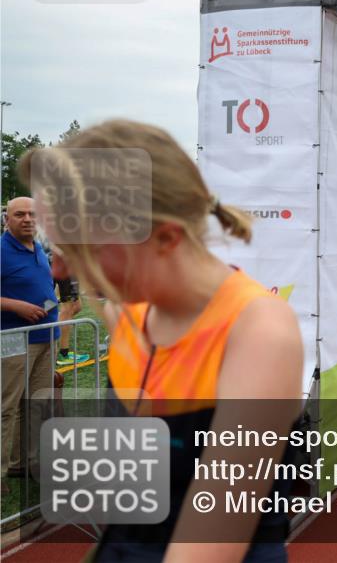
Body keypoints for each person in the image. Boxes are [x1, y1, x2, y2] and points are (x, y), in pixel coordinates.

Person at [21, 120, 303, 562]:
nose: (59, 270)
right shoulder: (130, 313)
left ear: (166, 237)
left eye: (80, 247)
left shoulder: (259, 332)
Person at [1, 197, 60, 483]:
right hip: (13, 340)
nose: (27, 219)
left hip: (47, 337)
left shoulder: (36, 246)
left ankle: (23, 463)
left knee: (35, 404)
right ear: (7, 219)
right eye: (19, 214)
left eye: (32, 214)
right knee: (7, 408)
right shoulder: (1, 249)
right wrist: (14, 306)